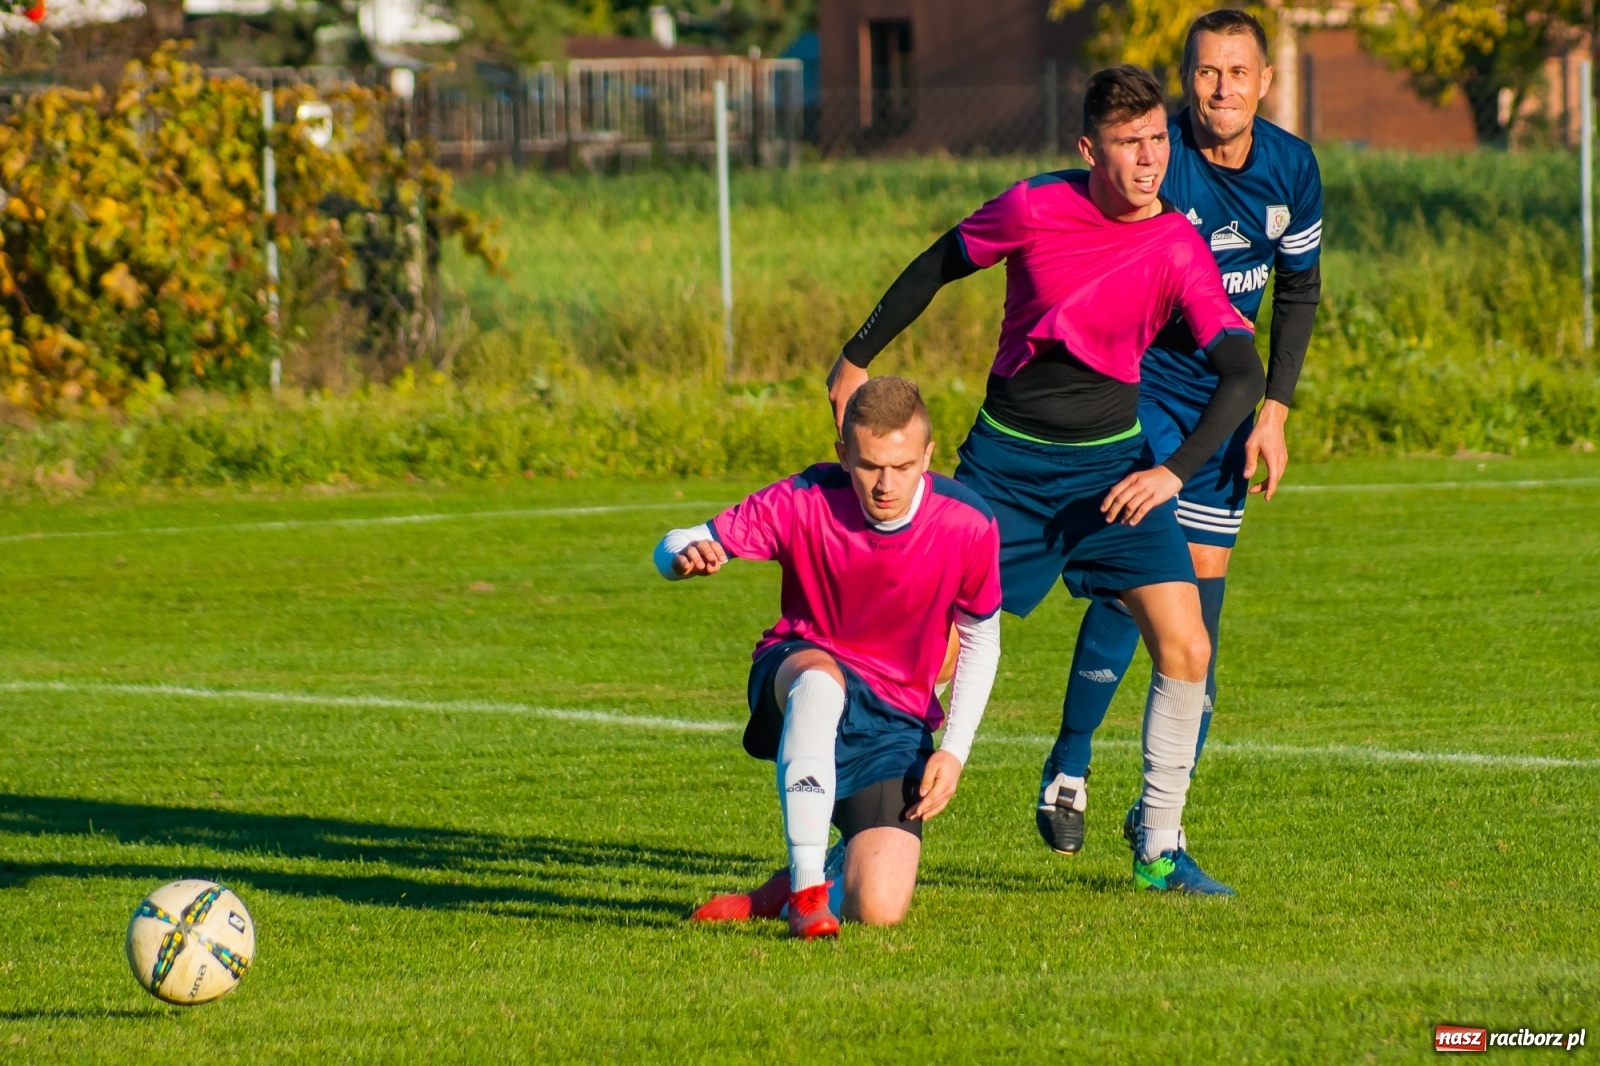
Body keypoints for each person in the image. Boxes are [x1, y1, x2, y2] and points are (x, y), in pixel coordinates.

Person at [826, 66, 1262, 894]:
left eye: (1158, 140)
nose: (1150, 159)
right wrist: (855, 357)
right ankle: (854, 824)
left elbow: (1243, 373)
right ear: (1089, 149)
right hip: (1007, 471)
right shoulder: (1033, 205)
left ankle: (1159, 848)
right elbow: (937, 263)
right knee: (928, 653)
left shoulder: (1177, 244)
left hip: (1114, 472)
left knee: (1188, 645)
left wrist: (1172, 473)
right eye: (1129, 143)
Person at [1041, 10, 1323, 858]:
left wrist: (1275, 411)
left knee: (1199, 619)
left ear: (1265, 81)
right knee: (1135, 585)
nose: (1222, 88)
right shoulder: (1161, 160)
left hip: (1227, 408)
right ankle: (1070, 765)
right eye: (1206, 71)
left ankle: (1158, 822)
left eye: (1238, 72)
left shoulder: (1293, 168)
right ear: (1186, 79)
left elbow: (1299, 291)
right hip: (1145, 394)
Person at [656, 376, 1002, 938]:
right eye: (869, 466)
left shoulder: (968, 522)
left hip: (893, 720)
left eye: (903, 466)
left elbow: (982, 639)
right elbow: (673, 541)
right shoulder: (804, 498)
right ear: (844, 454)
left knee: (879, 908)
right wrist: (683, 558)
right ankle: (806, 893)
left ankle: (789, 891)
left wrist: (955, 751)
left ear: (928, 456)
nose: (886, 484)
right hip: (797, 669)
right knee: (820, 683)